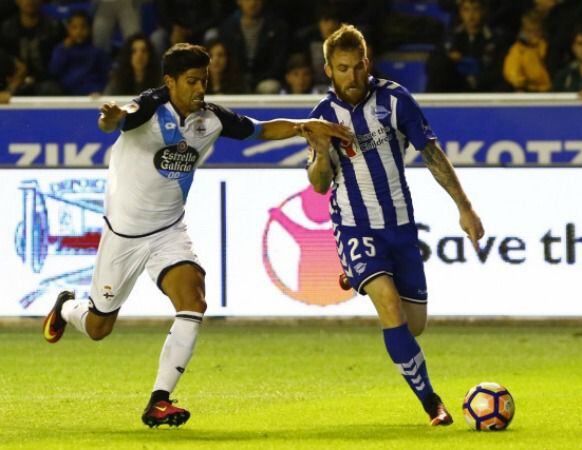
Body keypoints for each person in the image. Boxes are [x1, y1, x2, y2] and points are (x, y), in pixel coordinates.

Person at [42, 43, 352, 429]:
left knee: (194, 299)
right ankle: (68, 306)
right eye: (191, 81)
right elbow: (120, 121)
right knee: (97, 328)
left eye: (203, 80)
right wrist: (112, 118)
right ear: (169, 81)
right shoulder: (148, 109)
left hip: (169, 231)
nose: (199, 89)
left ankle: (159, 400)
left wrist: (305, 127)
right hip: (123, 237)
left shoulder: (211, 119)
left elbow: (260, 129)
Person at [305, 24, 484, 426]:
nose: (352, 76)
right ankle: (432, 403)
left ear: (368, 62)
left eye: (358, 66)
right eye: (343, 68)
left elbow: (432, 153)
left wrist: (465, 207)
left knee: (413, 326)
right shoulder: (322, 117)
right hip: (354, 225)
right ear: (328, 69)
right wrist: (319, 152)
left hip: (400, 227)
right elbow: (319, 186)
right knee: (388, 304)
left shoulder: (395, 100)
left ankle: (360, 276)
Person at [48, 11, 110, 95]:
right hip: (66, 94)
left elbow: (104, 75)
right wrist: (63, 50)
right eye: (74, 27)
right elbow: (54, 71)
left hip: (92, 94)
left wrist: (98, 89)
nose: (79, 31)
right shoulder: (61, 49)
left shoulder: (97, 52)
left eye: (83, 27)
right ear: (68, 29)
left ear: (90, 29)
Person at [502, 9, 552, 92]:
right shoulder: (518, 50)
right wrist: (523, 83)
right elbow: (512, 73)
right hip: (527, 91)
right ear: (523, 30)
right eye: (529, 31)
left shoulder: (549, 47)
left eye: (536, 30)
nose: (533, 34)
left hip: (550, 92)